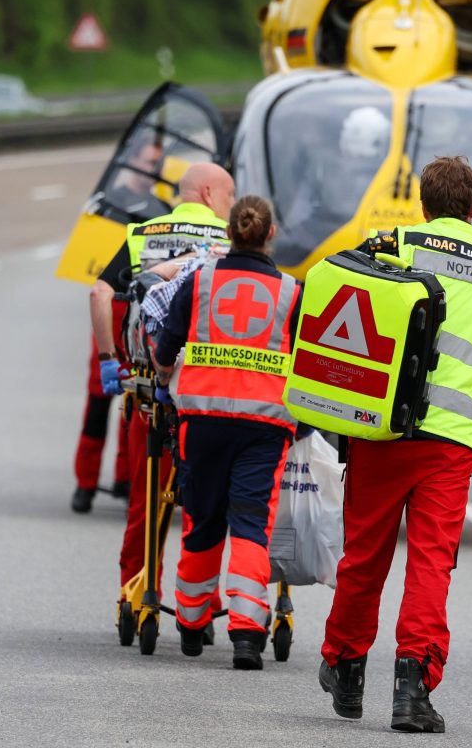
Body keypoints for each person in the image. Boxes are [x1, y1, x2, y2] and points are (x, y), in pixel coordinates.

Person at [317, 156, 472, 732]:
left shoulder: (393, 246)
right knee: (431, 563)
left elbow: (346, 309)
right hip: (454, 443)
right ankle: (412, 692)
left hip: (385, 428)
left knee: (365, 555)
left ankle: (345, 668)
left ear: (423, 203)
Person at [152, 195, 302, 670]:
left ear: (231, 233)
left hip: (202, 421)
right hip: (264, 426)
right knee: (252, 524)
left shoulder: (197, 282)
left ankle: (193, 624)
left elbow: (165, 348)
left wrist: (161, 381)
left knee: (202, 517)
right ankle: (245, 635)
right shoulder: (292, 293)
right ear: (270, 234)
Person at [89, 163, 234, 597]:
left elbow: (99, 292)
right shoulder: (228, 242)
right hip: (206, 390)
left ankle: (135, 592)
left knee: (145, 500)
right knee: (203, 502)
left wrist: (107, 359)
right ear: (209, 193)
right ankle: (198, 600)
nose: (229, 207)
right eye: (228, 198)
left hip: (148, 389)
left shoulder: (142, 234)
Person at [70, 141, 166, 514]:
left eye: (158, 162)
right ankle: (85, 483)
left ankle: (128, 480)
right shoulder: (106, 205)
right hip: (110, 313)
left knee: (136, 402)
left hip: (140, 317)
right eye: (148, 161)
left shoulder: (161, 212)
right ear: (132, 162)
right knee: (97, 403)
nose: (153, 168)